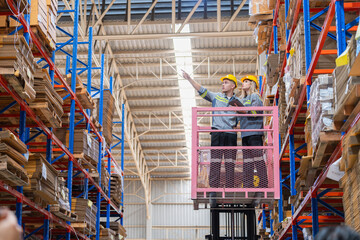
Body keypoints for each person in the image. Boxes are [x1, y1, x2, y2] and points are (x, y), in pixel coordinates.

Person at [182, 70, 241, 200]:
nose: (223, 85)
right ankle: (213, 189)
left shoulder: (238, 102)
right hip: (217, 133)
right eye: (222, 83)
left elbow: (245, 115)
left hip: (231, 135)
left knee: (230, 163)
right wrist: (189, 79)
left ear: (233, 86)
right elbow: (202, 90)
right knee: (215, 162)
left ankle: (230, 188)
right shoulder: (216, 96)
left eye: (226, 83)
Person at [237, 75, 268, 189]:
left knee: (258, 158)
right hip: (245, 134)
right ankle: (248, 184)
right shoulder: (242, 99)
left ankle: (263, 183)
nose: (243, 83)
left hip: (254, 133)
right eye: (243, 82)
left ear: (252, 84)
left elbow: (256, 112)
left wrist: (244, 111)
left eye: (246, 81)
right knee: (247, 161)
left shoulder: (254, 96)